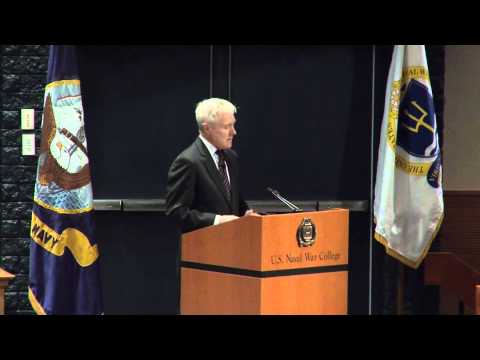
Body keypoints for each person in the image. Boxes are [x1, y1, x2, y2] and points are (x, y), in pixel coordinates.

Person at [166, 98, 257, 233]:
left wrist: (246, 215)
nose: (234, 132)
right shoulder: (188, 161)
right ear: (207, 128)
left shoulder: (231, 157)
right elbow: (177, 213)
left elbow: (232, 200)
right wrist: (217, 220)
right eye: (227, 126)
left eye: (233, 125)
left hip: (233, 246)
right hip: (203, 249)